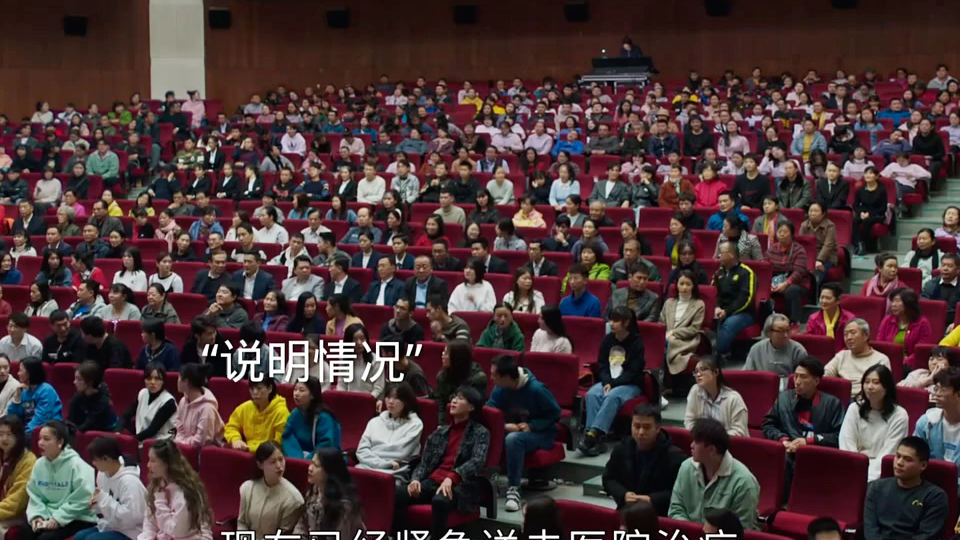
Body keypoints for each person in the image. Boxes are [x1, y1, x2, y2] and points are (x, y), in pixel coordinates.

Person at [391, 387, 489, 540]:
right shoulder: (440, 433)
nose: (454, 401)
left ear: (471, 407)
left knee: (440, 500)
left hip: (460, 486)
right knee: (394, 495)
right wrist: (415, 479)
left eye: (460, 398)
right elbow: (424, 462)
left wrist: (453, 477)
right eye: (454, 397)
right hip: (432, 482)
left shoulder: (480, 432)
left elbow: (477, 460)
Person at [487, 354, 561, 511]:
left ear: (507, 377)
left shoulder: (537, 389)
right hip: (514, 429)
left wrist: (532, 426)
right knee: (485, 431)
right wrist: (504, 425)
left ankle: (513, 488)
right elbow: (490, 411)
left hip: (542, 433)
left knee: (513, 439)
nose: (491, 378)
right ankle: (485, 480)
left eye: (494, 375)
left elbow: (555, 413)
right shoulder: (500, 389)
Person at [761, 356, 844, 493]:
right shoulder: (784, 399)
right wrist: (783, 440)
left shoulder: (832, 404)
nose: (797, 381)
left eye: (803, 377)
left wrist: (809, 441)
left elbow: (839, 436)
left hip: (818, 454)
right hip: (789, 453)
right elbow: (768, 425)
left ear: (816, 381)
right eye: (796, 376)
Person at [668, 417, 760, 529]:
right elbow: (676, 509)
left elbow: (742, 528)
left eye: (696, 442)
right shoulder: (686, 467)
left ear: (711, 450)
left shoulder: (744, 482)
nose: (691, 445)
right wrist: (692, 532)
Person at [579, 307, 645, 456]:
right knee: (592, 394)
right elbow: (602, 364)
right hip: (608, 381)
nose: (611, 323)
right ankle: (592, 435)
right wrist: (607, 381)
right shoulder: (608, 339)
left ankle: (594, 435)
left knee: (612, 396)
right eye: (611, 320)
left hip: (630, 384)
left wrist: (613, 384)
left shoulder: (636, 343)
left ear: (626, 323)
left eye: (616, 320)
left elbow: (633, 371)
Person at [602, 404, 685, 516]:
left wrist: (652, 499)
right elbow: (609, 479)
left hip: (659, 514)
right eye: (637, 426)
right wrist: (623, 495)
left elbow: (680, 493)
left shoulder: (675, 456)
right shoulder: (621, 449)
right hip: (627, 510)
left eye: (646, 427)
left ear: (657, 428)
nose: (641, 432)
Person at [862, 436, 949, 540]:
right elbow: (870, 531)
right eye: (898, 456)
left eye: (907, 459)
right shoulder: (876, 488)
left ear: (923, 465)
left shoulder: (935, 497)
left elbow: (925, 536)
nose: (899, 463)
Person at [23, 421, 97, 540]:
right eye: (40, 438)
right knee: (25, 532)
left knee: (46, 538)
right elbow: (35, 495)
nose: (40, 443)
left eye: (46, 439)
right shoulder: (39, 464)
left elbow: (82, 499)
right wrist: (37, 516)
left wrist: (57, 519)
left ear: (60, 442)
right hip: (48, 514)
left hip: (76, 517)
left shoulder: (77, 465)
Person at [839, 365, 909, 481]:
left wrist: (865, 479)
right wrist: (854, 472)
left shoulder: (899, 415)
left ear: (886, 387)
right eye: (867, 382)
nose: (870, 387)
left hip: (881, 475)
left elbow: (889, 453)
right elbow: (846, 443)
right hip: (852, 470)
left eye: (876, 382)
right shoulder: (854, 408)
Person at [140, 439, 213, 540]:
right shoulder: (156, 485)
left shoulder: (185, 493)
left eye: (153, 461)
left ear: (167, 463)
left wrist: (160, 501)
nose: (148, 465)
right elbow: (149, 524)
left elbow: (176, 531)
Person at [77, 436, 147, 540]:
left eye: (95, 459)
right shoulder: (102, 474)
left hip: (132, 531)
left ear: (106, 458)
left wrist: (103, 499)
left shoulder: (130, 482)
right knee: (79, 537)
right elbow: (103, 504)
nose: (93, 463)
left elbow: (132, 518)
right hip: (112, 524)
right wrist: (95, 504)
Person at [293, 448, 365, 539]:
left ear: (329, 471)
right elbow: (302, 524)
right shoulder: (313, 491)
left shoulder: (344, 506)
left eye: (316, 465)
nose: (310, 468)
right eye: (311, 463)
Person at [236, 441, 304, 538]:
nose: (279, 466)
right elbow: (242, 523)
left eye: (281, 459)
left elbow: (283, 535)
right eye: (273, 462)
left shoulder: (293, 499)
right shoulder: (247, 488)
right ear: (260, 465)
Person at [355, 381, 423, 477]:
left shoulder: (415, 424)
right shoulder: (374, 422)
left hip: (395, 470)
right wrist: (382, 463)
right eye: (388, 397)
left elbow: (400, 453)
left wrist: (375, 454)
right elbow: (361, 450)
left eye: (396, 398)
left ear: (406, 401)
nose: (390, 401)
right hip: (367, 466)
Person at [824, 319, 892, 397]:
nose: (848, 338)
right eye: (845, 334)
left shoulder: (881, 359)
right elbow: (824, 376)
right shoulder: (842, 356)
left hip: (868, 399)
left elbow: (884, 388)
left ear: (866, 335)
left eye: (853, 333)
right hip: (842, 398)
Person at [712, 240, 756, 360]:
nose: (718, 255)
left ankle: (717, 355)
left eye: (722, 252)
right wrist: (716, 307)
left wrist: (727, 312)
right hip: (721, 310)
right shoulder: (719, 272)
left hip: (743, 313)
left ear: (731, 254)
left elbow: (746, 298)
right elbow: (713, 292)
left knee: (729, 324)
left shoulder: (746, 272)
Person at [684, 357, 748, 437]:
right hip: (702, 442)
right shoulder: (695, 391)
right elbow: (689, 422)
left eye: (703, 369)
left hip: (727, 444)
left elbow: (740, 432)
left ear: (716, 372)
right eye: (696, 371)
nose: (698, 374)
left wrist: (713, 438)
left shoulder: (734, 399)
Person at [225, 377, 290, 454]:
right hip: (246, 451)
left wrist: (250, 449)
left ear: (270, 388)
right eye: (252, 389)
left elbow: (280, 443)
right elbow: (231, 426)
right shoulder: (245, 407)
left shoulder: (281, 412)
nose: (255, 392)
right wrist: (236, 439)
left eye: (259, 388)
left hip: (270, 455)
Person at [116, 363, 177, 442]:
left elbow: (152, 430)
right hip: (141, 439)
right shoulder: (142, 393)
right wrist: (117, 432)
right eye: (149, 378)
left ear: (163, 381)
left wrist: (131, 441)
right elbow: (126, 415)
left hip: (161, 443)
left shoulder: (169, 402)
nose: (152, 382)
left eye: (157, 379)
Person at [876, 288, 932, 370]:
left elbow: (921, 351)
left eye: (897, 301)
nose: (893, 305)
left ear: (908, 303)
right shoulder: (887, 320)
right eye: (892, 301)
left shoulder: (922, 323)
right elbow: (879, 344)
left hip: (910, 365)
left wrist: (904, 362)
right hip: (887, 362)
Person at [0, 415, 35, 538]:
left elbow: (17, 501)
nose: (4, 439)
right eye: (1, 434)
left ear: (18, 436)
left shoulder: (28, 461)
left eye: (9, 434)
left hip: (16, 514)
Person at [173, 364, 224, 447]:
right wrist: (179, 443)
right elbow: (179, 428)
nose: (177, 381)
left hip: (204, 451)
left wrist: (180, 444)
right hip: (183, 447)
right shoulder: (183, 401)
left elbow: (201, 441)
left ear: (186, 382)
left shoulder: (207, 408)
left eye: (179, 378)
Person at [744, 313, 808, 377]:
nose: (785, 335)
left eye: (788, 330)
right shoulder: (756, 349)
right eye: (780, 331)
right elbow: (747, 375)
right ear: (769, 332)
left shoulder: (798, 351)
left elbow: (804, 378)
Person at [8, 358, 62, 432]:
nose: (18, 373)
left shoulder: (46, 390)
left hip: (49, 430)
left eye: (21, 370)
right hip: (28, 430)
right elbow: (13, 417)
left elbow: (41, 419)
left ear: (29, 373)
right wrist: (17, 397)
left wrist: (23, 434)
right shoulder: (24, 391)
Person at [432, 340, 486, 410]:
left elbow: (475, 406)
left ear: (456, 358)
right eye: (443, 352)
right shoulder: (442, 376)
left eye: (446, 353)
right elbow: (440, 403)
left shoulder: (478, 378)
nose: (442, 355)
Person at [66, 361, 117, 433]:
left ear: (90, 382)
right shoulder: (77, 397)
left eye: (79, 379)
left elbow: (86, 427)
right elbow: (70, 420)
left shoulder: (103, 403)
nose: (74, 382)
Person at [805, 283, 855, 353]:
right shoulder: (813, 318)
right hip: (820, 354)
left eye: (828, 298)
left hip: (844, 355)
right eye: (822, 297)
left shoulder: (849, 318)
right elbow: (809, 341)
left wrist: (840, 355)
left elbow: (852, 342)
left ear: (838, 300)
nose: (824, 301)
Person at [852, 166, 889, 255]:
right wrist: (861, 213)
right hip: (863, 213)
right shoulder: (860, 190)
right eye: (866, 173)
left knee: (867, 221)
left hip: (877, 214)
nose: (867, 175)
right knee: (855, 221)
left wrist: (870, 214)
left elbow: (883, 208)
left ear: (876, 176)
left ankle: (866, 245)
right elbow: (856, 205)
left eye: (871, 173)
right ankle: (858, 245)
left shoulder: (882, 190)